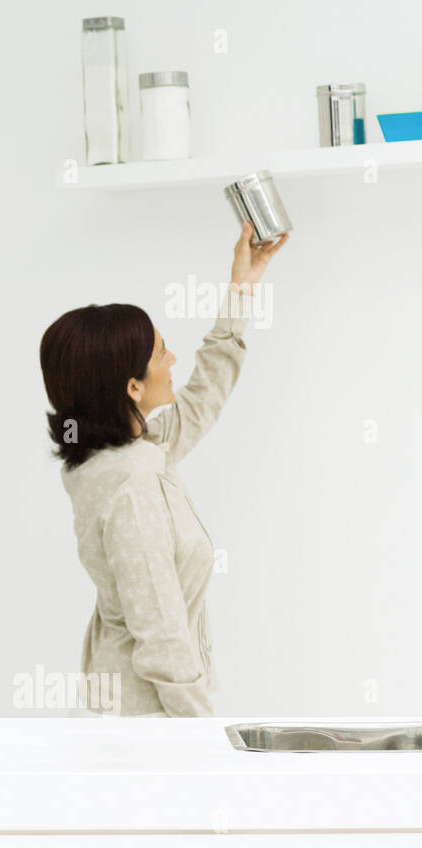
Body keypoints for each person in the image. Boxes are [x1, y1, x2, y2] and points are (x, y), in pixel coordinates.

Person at [38, 223, 287, 716]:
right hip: (147, 723)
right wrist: (205, 740)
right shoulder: (133, 487)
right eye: (160, 352)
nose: (173, 359)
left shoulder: (124, 455)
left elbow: (203, 396)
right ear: (132, 387)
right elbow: (163, 638)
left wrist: (243, 285)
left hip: (133, 712)